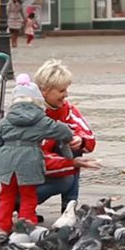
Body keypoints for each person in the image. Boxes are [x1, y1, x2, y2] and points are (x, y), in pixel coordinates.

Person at [0, 74, 72, 234]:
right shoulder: (41, 120)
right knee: (28, 195)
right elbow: (61, 131)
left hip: (7, 162)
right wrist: (67, 138)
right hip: (29, 161)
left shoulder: (5, 121)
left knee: (6, 196)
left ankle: (2, 228)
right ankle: (26, 225)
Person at [33, 59, 100, 212]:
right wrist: (70, 164)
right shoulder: (32, 115)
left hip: (51, 165)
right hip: (29, 172)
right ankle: (21, 202)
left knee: (74, 148)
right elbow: (36, 157)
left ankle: (69, 207)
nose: (66, 95)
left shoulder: (67, 110)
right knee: (65, 181)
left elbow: (89, 138)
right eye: (62, 91)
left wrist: (80, 140)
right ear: (44, 90)